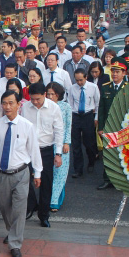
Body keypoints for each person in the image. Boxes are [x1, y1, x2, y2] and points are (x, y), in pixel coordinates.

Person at [0, 90, 42, 257]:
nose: (8, 106)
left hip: (21, 173)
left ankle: (15, 243)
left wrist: (37, 172)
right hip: (2, 174)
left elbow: (34, 150)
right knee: (4, 207)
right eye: (5, 103)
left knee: (19, 209)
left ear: (19, 105)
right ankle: (12, 232)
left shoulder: (27, 126)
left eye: (11, 103)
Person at [21, 82, 64, 227]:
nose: (34, 102)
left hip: (46, 149)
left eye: (37, 99)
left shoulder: (54, 108)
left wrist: (58, 153)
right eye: (32, 99)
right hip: (28, 149)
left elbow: (59, 131)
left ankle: (44, 215)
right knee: (24, 179)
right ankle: (31, 205)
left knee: (46, 182)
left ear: (44, 95)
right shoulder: (25, 107)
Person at [97, 57, 127, 190]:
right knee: (108, 154)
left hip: (124, 126)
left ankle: (121, 180)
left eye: (118, 72)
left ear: (124, 73)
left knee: (123, 154)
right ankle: (107, 179)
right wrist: (101, 127)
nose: (115, 74)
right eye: (113, 71)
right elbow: (102, 108)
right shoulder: (106, 87)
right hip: (109, 126)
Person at [67, 68, 100, 178]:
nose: (79, 82)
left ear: (86, 77)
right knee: (76, 145)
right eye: (77, 80)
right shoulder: (72, 88)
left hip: (88, 116)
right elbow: (70, 104)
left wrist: (96, 117)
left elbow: (97, 103)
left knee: (89, 142)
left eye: (81, 80)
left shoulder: (93, 87)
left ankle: (91, 160)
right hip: (76, 116)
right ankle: (78, 169)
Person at [46, 82, 71, 211]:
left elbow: (68, 126)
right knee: (49, 173)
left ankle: (54, 201)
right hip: (48, 143)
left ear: (58, 95)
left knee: (60, 173)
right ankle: (49, 198)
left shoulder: (65, 107)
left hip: (62, 145)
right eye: (48, 94)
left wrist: (66, 142)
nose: (50, 96)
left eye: (53, 94)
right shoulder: (44, 107)